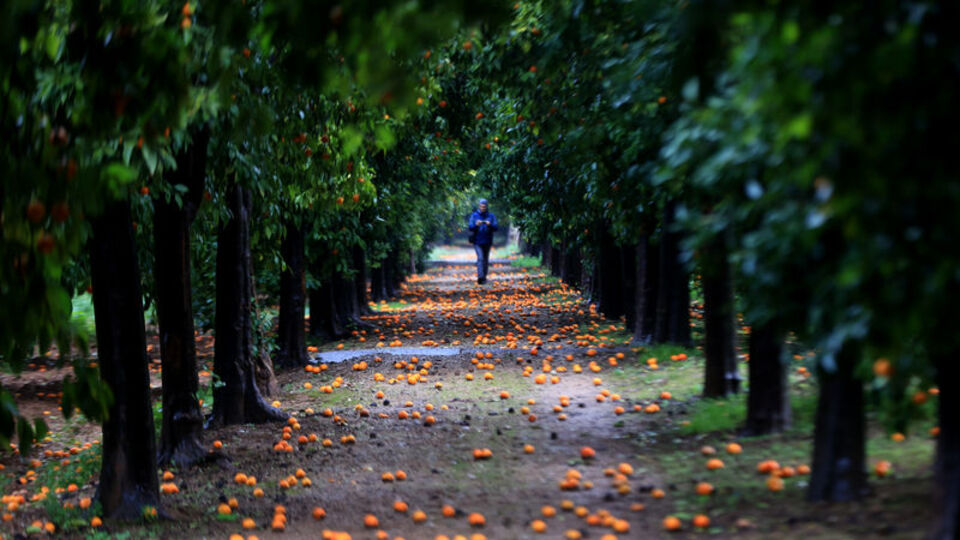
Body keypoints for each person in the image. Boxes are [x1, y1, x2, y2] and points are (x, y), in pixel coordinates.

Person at [468, 199, 498, 284]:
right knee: (480, 258)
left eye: (484, 206)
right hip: (477, 241)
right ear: (479, 206)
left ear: (487, 206)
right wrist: (476, 225)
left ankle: (484, 277)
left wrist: (490, 225)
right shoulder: (474, 215)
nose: (483, 208)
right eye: (481, 206)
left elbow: (496, 227)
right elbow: (470, 227)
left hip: (488, 240)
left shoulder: (491, 216)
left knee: (485, 259)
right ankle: (480, 277)